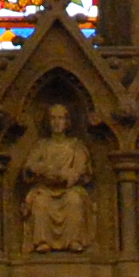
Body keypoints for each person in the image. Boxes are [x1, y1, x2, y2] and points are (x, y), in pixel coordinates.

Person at [17, 101, 97, 254]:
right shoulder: (42, 146)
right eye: (53, 118)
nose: (57, 122)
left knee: (74, 200)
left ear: (67, 122)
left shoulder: (75, 146)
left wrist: (65, 174)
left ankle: (74, 239)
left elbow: (81, 170)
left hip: (68, 189)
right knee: (40, 202)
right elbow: (30, 167)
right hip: (46, 189)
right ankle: (42, 241)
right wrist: (45, 170)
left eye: (61, 118)